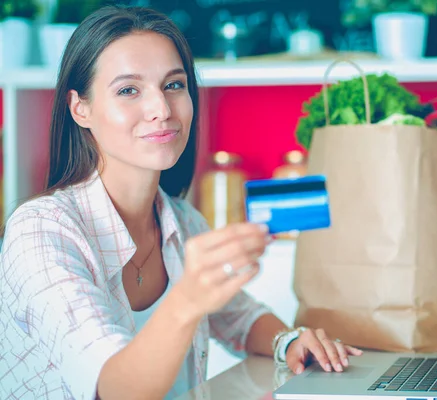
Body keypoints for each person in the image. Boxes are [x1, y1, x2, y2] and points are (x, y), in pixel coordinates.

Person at [0, 5, 362, 400]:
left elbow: (240, 317)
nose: (162, 110)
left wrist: (290, 341)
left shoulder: (182, 220)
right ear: (80, 109)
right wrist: (187, 298)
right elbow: (114, 389)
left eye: (173, 85)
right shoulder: (41, 230)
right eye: (128, 90)